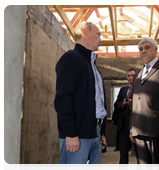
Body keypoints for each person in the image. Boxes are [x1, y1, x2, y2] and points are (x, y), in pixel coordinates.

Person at [54, 21, 107, 170]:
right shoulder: (71, 58)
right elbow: (63, 99)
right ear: (85, 32)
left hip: (94, 132)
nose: (101, 40)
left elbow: (98, 102)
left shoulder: (93, 66)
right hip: (77, 133)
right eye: (98, 34)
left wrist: (101, 132)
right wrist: (70, 133)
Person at [129, 38, 159, 170]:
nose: (143, 51)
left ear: (156, 50)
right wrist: (132, 128)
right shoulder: (138, 74)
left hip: (158, 131)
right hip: (138, 130)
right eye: (140, 49)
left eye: (147, 47)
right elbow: (134, 102)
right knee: (143, 167)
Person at [112, 68, 137, 170]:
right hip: (123, 124)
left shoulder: (140, 88)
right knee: (123, 151)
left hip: (136, 124)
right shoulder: (123, 89)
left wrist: (132, 104)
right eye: (128, 76)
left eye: (132, 75)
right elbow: (116, 104)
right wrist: (123, 103)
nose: (130, 78)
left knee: (140, 152)